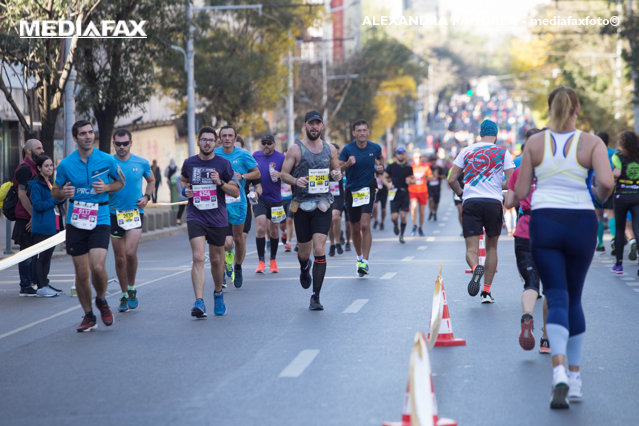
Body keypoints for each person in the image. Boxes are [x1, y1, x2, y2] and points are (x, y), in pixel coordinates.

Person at [514, 86, 613, 409]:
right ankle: (575, 377)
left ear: (549, 108)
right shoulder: (591, 142)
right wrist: (596, 195)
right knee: (574, 298)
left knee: (555, 294)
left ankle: (557, 370)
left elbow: (522, 189)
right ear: (577, 108)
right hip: (581, 222)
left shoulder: (535, 142)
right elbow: (607, 184)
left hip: (544, 222)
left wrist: (511, 196)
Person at [52, 120, 124, 332]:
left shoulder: (106, 159)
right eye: (83, 133)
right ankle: (88, 315)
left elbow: (121, 182)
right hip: (76, 220)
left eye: (90, 132)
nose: (88, 136)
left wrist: (107, 187)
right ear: (75, 138)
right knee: (82, 273)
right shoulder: (65, 164)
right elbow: (54, 191)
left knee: (98, 266)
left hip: (100, 218)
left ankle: (101, 299)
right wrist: (62, 193)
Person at [448, 119, 515, 304]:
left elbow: (452, 179)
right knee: (492, 247)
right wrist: (498, 186)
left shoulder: (467, 151)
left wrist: (462, 194)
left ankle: (476, 266)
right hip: (493, 202)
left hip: (471, 201)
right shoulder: (503, 152)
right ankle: (486, 291)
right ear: (496, 134)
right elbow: (512, 181)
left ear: (480, 134)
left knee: (471, 248)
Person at [280, 110, 342, 310]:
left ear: (322, 126)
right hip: (301, 205)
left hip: (322, 204)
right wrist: (295, 180)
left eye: (318, 124)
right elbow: (283, 174)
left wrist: (337, 174)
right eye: (311, 124)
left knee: (319, 249)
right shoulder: (295, 149)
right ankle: (304, 268)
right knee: (304, 253)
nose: (314, 127)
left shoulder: (330, 149)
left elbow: (336, 172)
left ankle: (315, 296)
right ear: (305, 125)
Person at [180, 126, 240, 318]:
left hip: (217, 217)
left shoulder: (223, 164)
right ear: (198, 142)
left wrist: (220, 183)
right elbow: (182, 181)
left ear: (216, 143)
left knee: (216, 260)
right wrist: (184, 191)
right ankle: (199, 301)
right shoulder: (189, 163)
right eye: (203, 139)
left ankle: (217, 292)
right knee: (198, 257)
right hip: (195, 215)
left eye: (210, 140)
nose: (207, 143)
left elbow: (236, 191)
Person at [504, 128, 551, 354]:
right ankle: (546, 339)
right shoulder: (556, 171)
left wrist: (507, 192)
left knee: (531, 283)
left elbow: (510, 203)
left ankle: (527, 316)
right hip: (552, 231)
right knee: (551, 288)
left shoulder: (521, 171)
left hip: (525, 231)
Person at [109, 129, 155, 312]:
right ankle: (124, 294)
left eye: (125, 143)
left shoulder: (141, 162)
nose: (121, 147)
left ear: (130, 143)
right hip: (114, 213)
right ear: (114, 144)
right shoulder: (108, 162)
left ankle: (132, 287)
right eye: (118, 144)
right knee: (119, 259)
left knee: (129, 253)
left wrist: (146, 197)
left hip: (134, 213)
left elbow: (151, 180)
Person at [215, 125, 261, 288]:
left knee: (238, 239)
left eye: (230, 135)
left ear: (235, 138)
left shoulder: (243, 154)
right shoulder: (215, 154)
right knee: (223, 241)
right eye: (224, 136)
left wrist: (242, 176)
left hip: (238, 201)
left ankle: (238, 266)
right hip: (219, 202)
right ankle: (221, 270)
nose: (227, 138)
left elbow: (257, 173)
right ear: (220, 139)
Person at [339, 119, 384, 277]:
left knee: (365, 225)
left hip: (368, 189)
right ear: (354, 133)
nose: (362, 133)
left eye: (364, 130)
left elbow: (381, 160)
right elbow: (337, 168)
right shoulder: (347, 149)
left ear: (368, 132)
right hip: (351, 191)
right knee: (355, 227)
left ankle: (365, 260)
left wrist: (380, 167)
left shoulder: (375, 148)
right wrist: (347, 164)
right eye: (359, 130)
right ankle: (358, 257)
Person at [28, 155, 64, 297]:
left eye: (51, 165)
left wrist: (62, 196)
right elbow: (37, 205)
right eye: (46, 166)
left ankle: (45, 283)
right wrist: (54, 201)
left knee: (47, 257)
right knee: (41, 257)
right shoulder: (36, 185)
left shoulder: (50, 183)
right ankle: (41, 286)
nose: (50, 168)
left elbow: (55, 201)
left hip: (53, 225)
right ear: (39, 168)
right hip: (42, 226)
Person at [13, 139, 44, 296]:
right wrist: (33, 216)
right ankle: (25, 285)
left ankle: (32, 282)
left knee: (33, 251)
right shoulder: (25, 169)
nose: (42, 151)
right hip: (25, 217)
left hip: (32, 216)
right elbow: (22, 194)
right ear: (29, 151)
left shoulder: (34, 168)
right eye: (39, 148)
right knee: (26, 252)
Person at [253, 135, 285, 273]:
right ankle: (261, 261)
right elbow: (251, 172)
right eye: (263, 143)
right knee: (260, 227)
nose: (266, 146)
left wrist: (280, 174)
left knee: (273, 230)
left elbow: (288, 174)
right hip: (260, 197)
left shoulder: (281, 158)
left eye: (269, 143)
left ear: (274, 144)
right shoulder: (256, 155)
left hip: (276, 198)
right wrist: (250, 188)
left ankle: (273, 260)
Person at [610, 131, 639, 274]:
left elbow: (616, 173)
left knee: (620, 229)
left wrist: (611, 179)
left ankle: (618, 264)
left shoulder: (618, 156)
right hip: (637, 196)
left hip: (621, 196)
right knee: (638, 228)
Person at [384, 147, 413, 244]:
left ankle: (402, 235)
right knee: (394, 217)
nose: (400, 155)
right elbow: (384, 177)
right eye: (398, 153)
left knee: (403, 216)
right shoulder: (391, 166)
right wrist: (388, 185)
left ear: (405, 154)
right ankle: (396, 225)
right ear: (396, 155)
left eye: (402, 153)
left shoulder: (409, 167)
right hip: (394, 193)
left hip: (404, 193)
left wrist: (410, 181)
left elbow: (413, 180)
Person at [408, 150, 432, 236]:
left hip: (423, 191)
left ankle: (420, 227)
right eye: (415, 157)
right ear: (413, 158)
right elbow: (407, 177)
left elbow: (431, 177)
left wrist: (426, 176)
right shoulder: (410, 167)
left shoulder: (425, 167)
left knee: (421, 212)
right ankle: (414, 225)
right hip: (413, 190)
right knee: (413, 207)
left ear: (421, 158)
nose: (417, 159)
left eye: (418, 157)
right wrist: (410, 180)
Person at [329, 143, 345, 256]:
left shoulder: (340, 163)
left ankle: (338, 242)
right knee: (329, 221)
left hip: (338, 194)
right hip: (325, 194)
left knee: (335, 217)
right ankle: (332, 244)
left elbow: (344, 165)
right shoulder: (322, 162)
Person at [427, 155, 443, 221]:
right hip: (430, 187)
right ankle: (431, 211)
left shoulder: (439, 168)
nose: (433, 162)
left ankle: (435, 212)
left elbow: (443, 176)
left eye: (434, 160)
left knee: (436, 202)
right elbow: (426, 176)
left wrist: (438, 176)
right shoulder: (428, 168)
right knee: (430, 199)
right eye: (432, 160)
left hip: (437, 187)